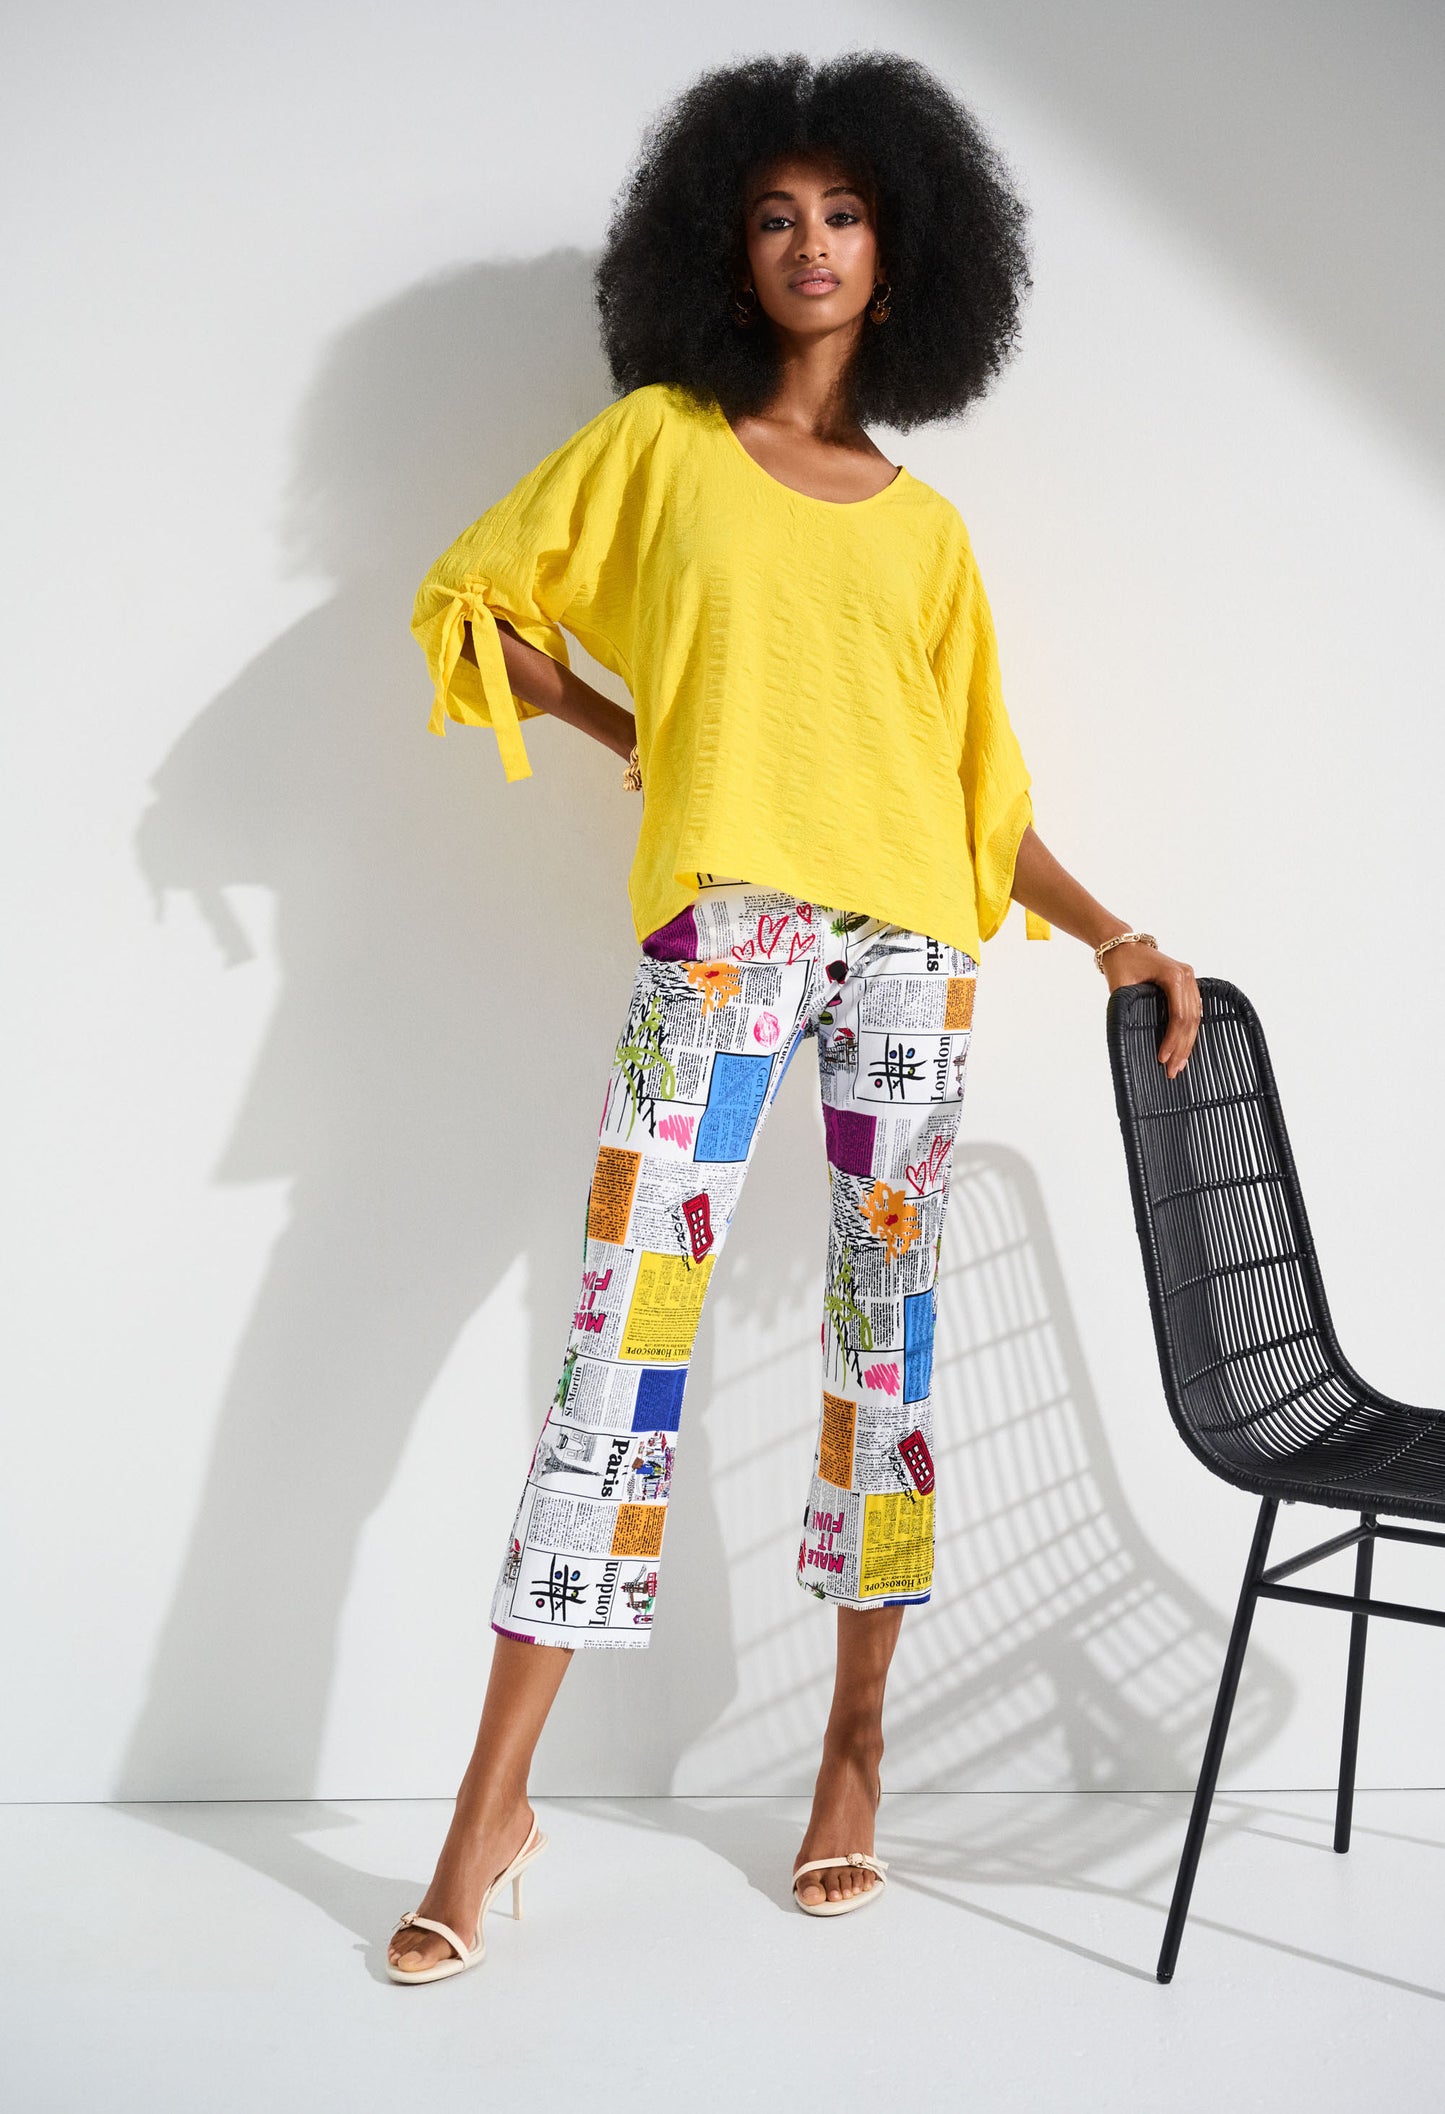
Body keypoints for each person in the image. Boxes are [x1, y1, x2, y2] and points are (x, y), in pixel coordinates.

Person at [387, 49, 1201, 1982]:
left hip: (910, 947)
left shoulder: (926, 532)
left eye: (842, 214)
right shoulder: (660, 446)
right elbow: (478, 601)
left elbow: (975, 802)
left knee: (878, 1345)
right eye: (773, 216)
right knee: (619, 1346)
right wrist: (641, 734)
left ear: (901, 255)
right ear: (721, 249)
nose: (809, 243)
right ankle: (488, 1804)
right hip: (726, 933)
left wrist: (1110, 932)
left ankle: (851, 1754)